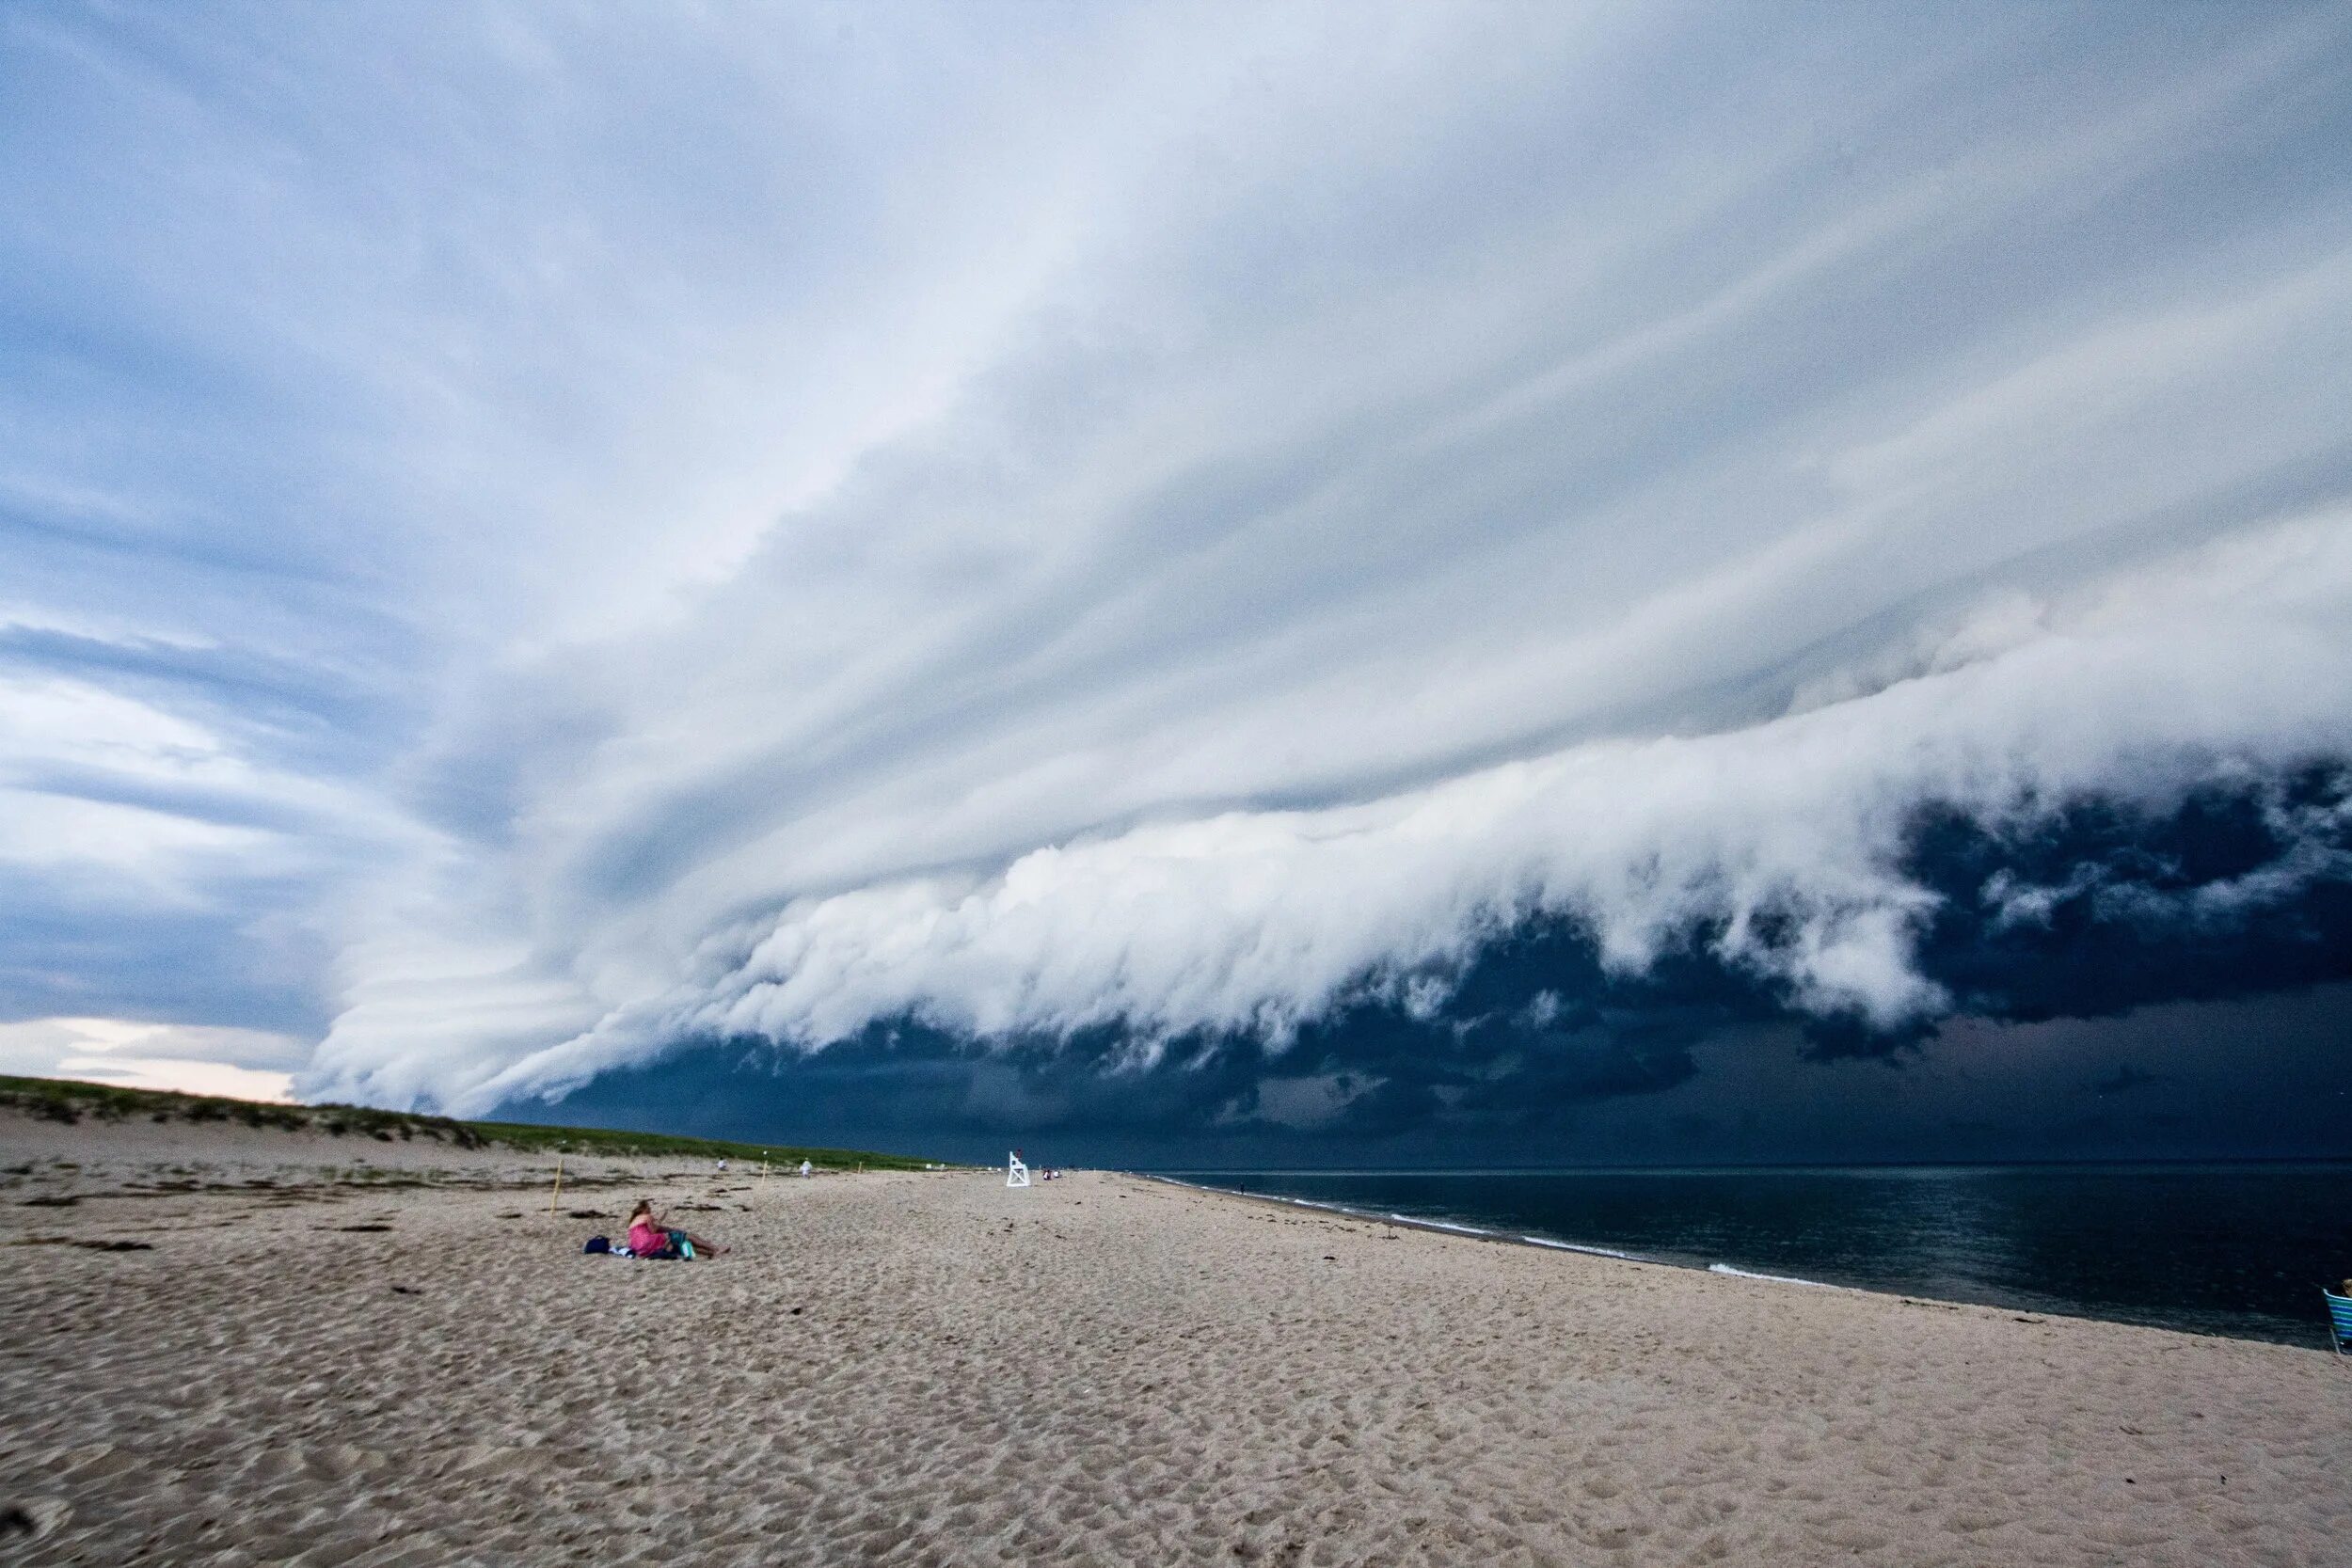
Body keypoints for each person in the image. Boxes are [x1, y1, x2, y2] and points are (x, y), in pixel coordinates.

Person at [625, 1198, 728, 1259]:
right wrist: (661, 1221)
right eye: (649, 1208)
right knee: (687, 1236)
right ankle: (715, 1248)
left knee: (680, 1246)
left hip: (641, 1250)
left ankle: (711, 1253)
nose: (650, 1210)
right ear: (644, 1209)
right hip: (650, 1242)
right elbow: (654, 1230)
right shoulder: (647, 1216)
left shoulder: (632, 1223)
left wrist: (665, 1226)